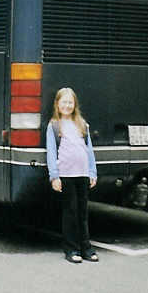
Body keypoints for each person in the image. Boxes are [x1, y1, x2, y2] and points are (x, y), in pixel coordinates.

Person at [46, 87, 99, 264]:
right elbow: (51, 152)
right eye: (64, 102)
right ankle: (71, 249)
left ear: (75, 104)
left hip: (82, 174)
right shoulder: (54, 126)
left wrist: (92, 172)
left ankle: (86, 248)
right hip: (66, 175)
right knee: (71, 212)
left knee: (83, 213)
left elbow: (89, 150)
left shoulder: (82, 124)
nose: (67, 105)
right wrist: (54, 176)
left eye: (70, 102)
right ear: (57, 104)